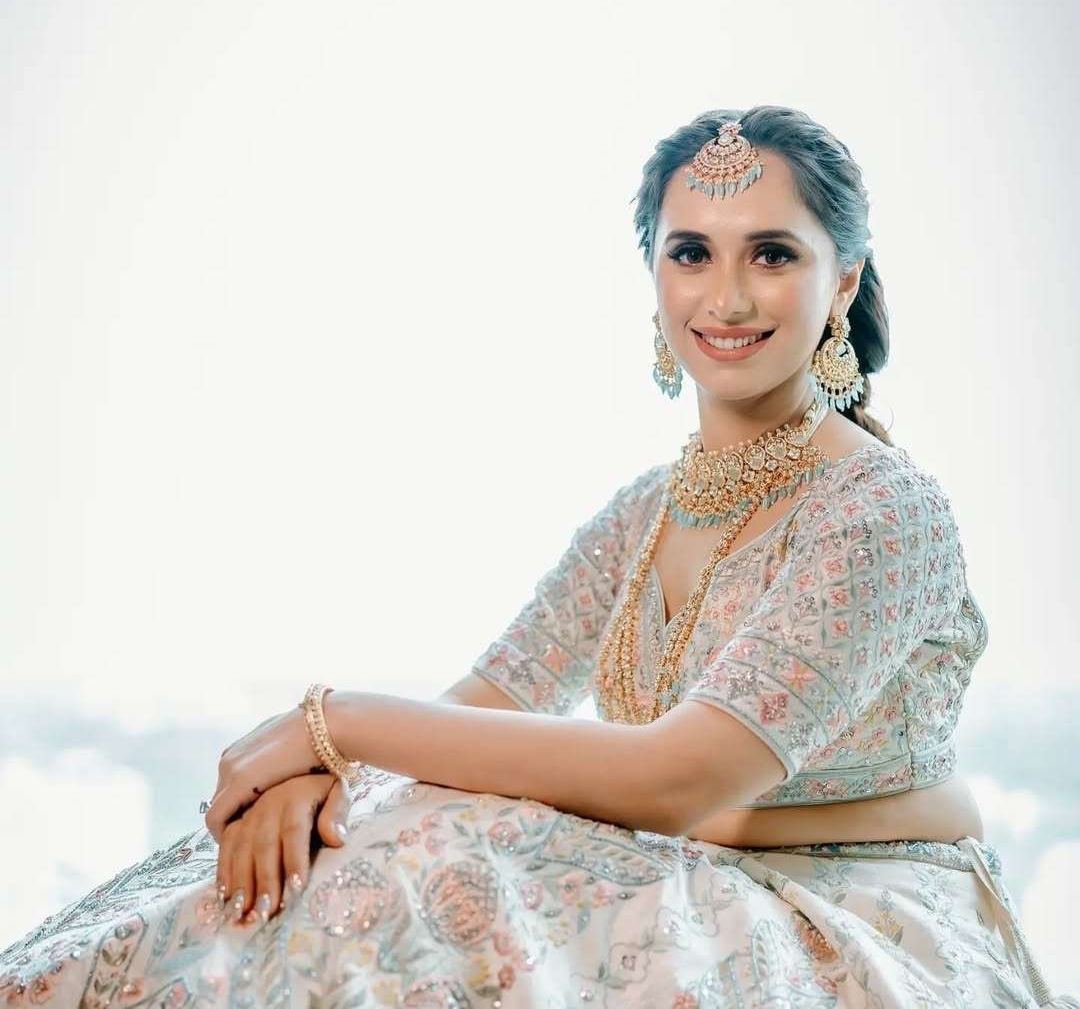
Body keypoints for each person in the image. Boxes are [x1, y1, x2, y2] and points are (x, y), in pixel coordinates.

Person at [1, 106, 1073, 1008]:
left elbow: (676, 779)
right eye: (691, 253)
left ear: (842, 283)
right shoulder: (642, 513)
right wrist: (321, 781)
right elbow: (484, 711)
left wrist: (333, 721)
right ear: (653, 276)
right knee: (349, 850)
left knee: (435, 869)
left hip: (852, 920)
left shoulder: (881, 509)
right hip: (688, 875)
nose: (727, 297)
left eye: (773, 254)